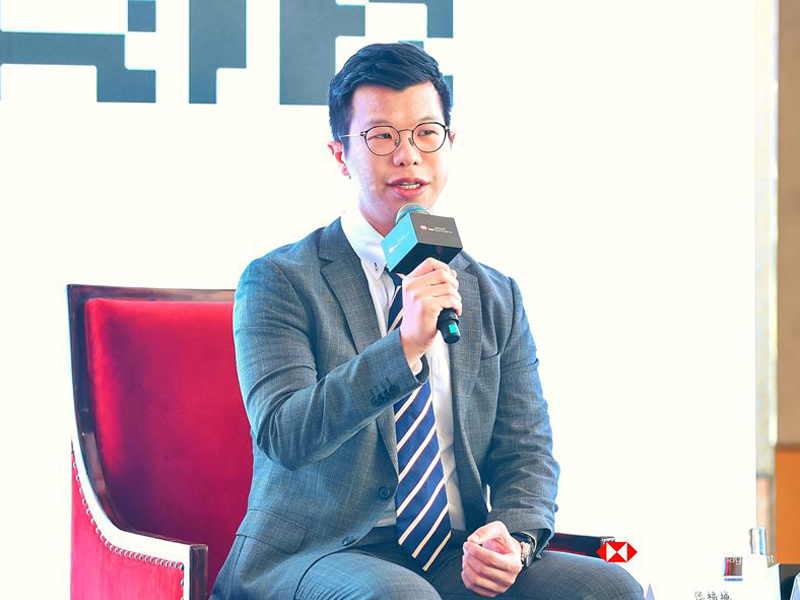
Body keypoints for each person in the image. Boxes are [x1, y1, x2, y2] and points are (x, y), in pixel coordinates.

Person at [210, 43, 643, 600]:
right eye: (382, 136)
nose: (408, 156)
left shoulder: (494, 294)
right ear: (340, 154)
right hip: (315, 553)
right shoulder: (281, 279)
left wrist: (513, 540)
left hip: (449, 553)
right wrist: (404, 346)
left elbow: (526, 453)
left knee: (609, 587)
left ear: (450, 143)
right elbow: (285, 435)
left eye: (425, 133)